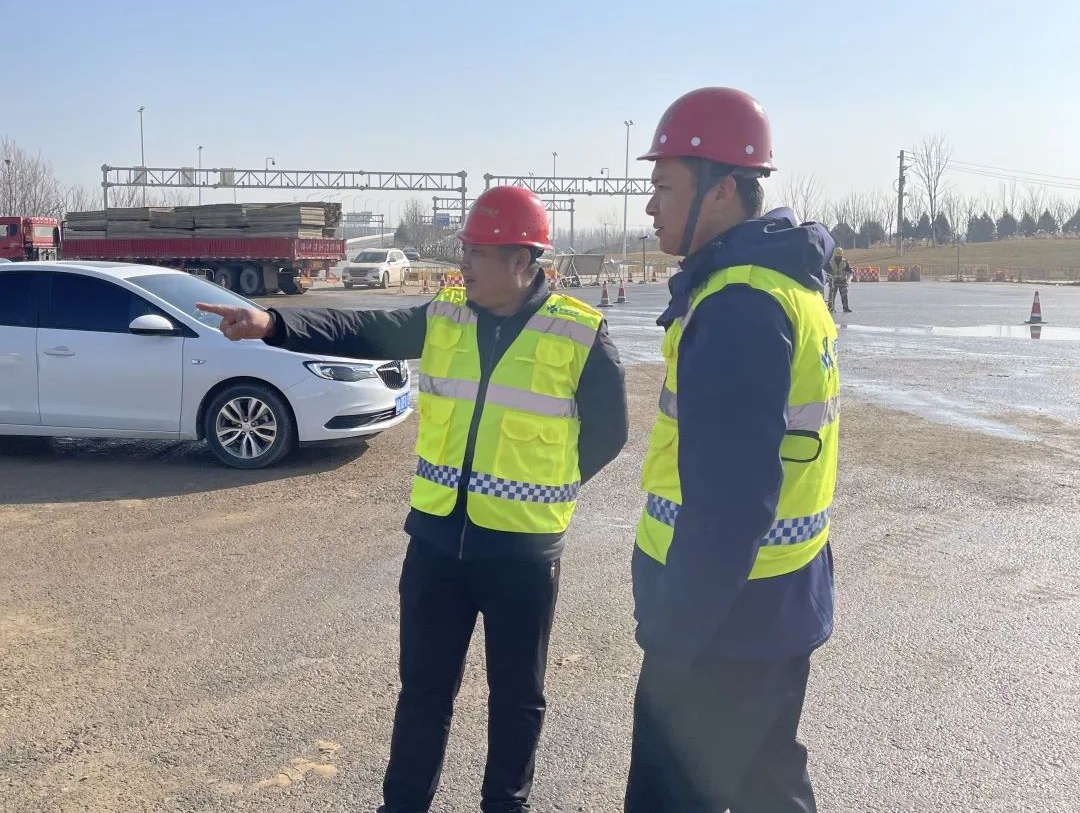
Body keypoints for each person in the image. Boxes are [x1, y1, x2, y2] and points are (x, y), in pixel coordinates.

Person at [196, 186, 628, 813]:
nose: (463, 263)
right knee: (423, 692)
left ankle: (506, 805)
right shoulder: (446, 314)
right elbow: (362, 327)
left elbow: (609, 434)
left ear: (520, 259)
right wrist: (273, 324)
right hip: (436, 544)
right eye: (465, 250)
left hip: (522, 552)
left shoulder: (579, 332)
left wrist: (546, 487)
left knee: (517, 697)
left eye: (477, 252)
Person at [625, 87, 840, 812]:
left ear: (721, 191)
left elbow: (732, 504)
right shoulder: (787, 285)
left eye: (664, 187)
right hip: (775, 605)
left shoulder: (738, 305)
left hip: (721, 627)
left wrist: (673, 633)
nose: (650, 206)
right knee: (766, 789)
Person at [827, 246, 854, 313]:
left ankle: (845, 308)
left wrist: (848, 281)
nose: (839, 257)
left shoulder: (845, 262)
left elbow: (850, 272)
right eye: (837, 256)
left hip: (843, 282)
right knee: (831, 296)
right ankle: (831, 308)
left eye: (840, 256)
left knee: (844, 296)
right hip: (833, 282)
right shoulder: (830, 262)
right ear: (834, 254)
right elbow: (826, 271)